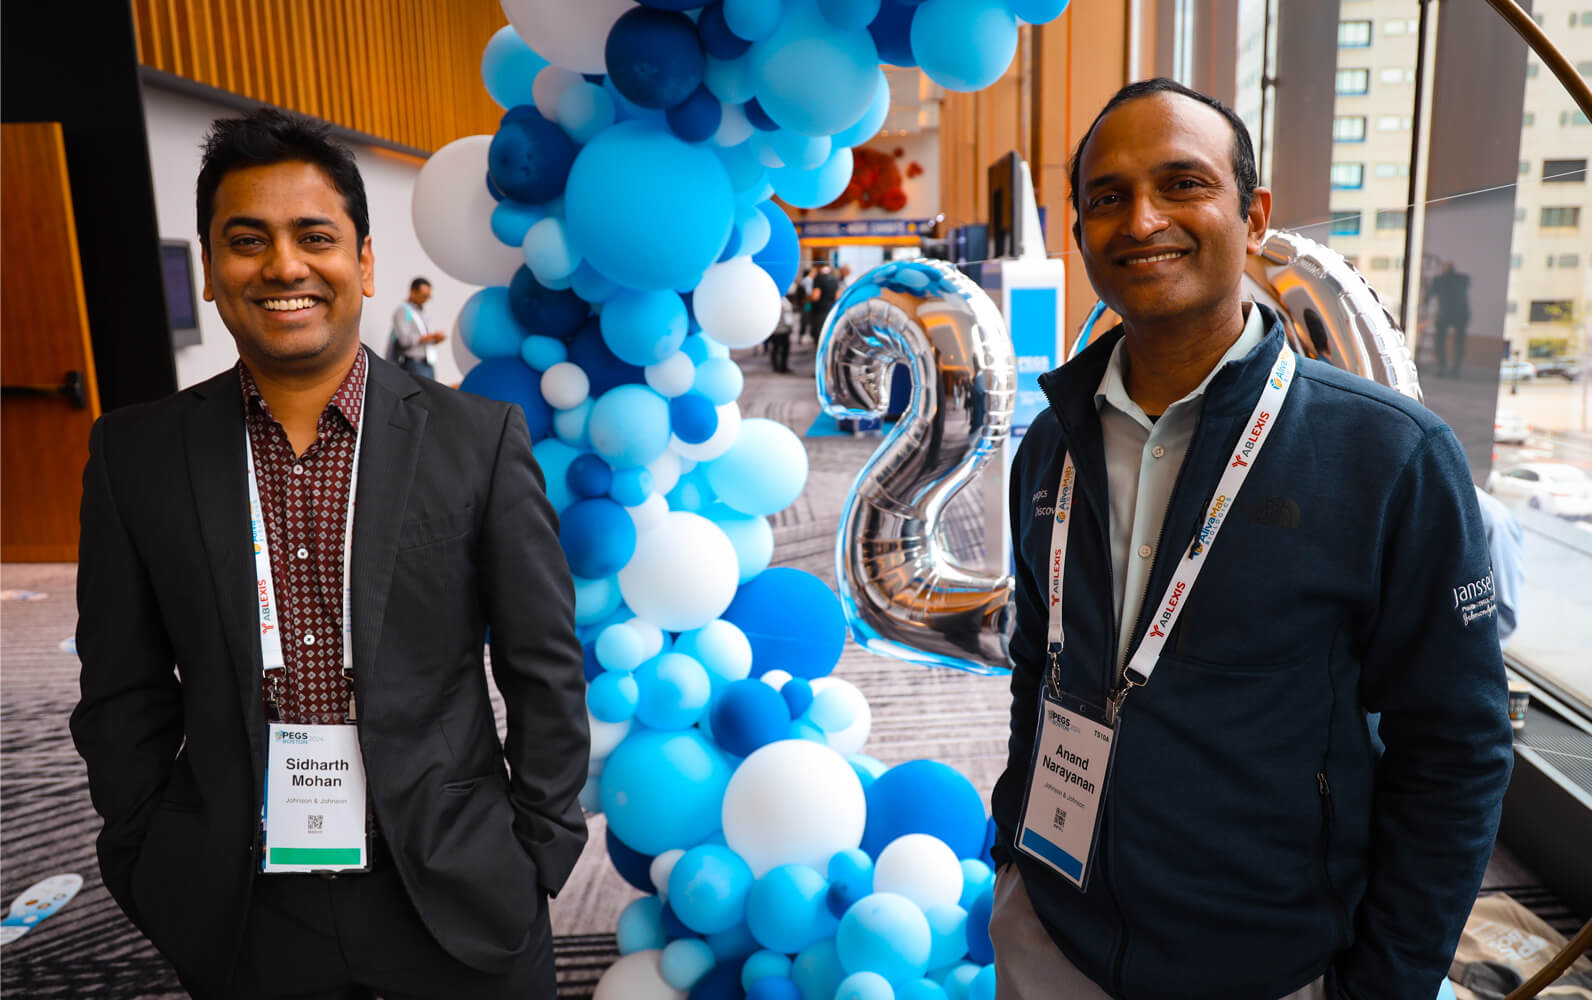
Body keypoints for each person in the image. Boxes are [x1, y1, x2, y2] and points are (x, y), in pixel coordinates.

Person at [994, 79, 1512, 1000]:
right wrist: (1014, 855)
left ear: (1255, 214)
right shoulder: (1051, 444)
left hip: (1267, 967)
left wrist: (1386, 985)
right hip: (1051, 936)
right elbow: (1039, 663)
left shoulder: (1389, 456)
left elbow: (1455, 752)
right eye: (1107, 197)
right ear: (1081, 233)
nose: (1141, 220)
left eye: (1182, 184)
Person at [71, 108, 588, 999]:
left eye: (315, 236)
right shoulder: (135, 455)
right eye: (247, 241)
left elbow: (544, 667)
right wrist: (146, 855)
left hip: (459, 885)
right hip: (244, 906)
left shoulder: (478, 442)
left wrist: (537, 848)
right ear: (210, 271)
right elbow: (122, 688)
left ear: (365, 261)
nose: (284, 266)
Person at [388, 276, 445, 379]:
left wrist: (435, 339)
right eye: (423, 295)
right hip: (414, 363)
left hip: (427, 362)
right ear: (412, 291)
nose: (426, 299)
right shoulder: (403, 311)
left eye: (428, 297)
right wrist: (430, 337)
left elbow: (423, 337)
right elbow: (404, 340)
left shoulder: (421, 312)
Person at [1424, 260, 1471, 377]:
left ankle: (1442, 367)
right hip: (1461, 314)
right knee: (1459, 342)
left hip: (1445, 314)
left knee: (1440, 341)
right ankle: (1455, 369)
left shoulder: (1439, 280)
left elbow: (1428, 296)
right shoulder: (1463, 279)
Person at [809, 261, 840, 343]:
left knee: (819, 337)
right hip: (831, 310)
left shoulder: (818, 278)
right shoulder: (834, 279)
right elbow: (837, 296)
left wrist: (808, 297)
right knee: (828, 335)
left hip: (820, 311)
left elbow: (815, 296)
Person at [770, 284, 796, 373]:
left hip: (784, 328)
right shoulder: (775, 299)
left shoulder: (784, 299)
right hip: (778, 329)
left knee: (784, 348)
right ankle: (777, 367)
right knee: (777, 348)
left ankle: (783, 367)